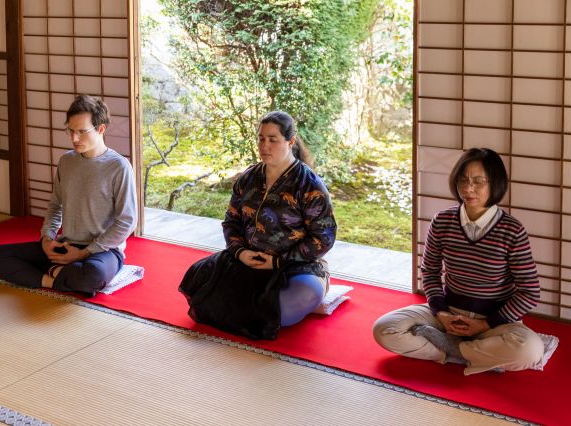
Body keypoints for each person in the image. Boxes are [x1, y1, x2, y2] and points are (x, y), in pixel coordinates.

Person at [373, 148, 544, 375]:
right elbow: (430, 271)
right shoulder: (443, 220)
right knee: (385, 329)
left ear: (495, 183)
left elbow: (529, 291)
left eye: (478, 181)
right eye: (463, 180)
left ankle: (452, 350)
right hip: (448, 314)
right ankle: (475, 356)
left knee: (529, 351)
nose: (468, 188)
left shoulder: (512, 230)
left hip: (493, 323)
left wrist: (485, 324)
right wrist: (442, 314)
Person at [179, 111, 337, 338]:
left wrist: (278, 261)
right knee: (197, 280)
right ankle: (252, 303)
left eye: (273, 139)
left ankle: (316, 289)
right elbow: (231, 221)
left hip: (293, 266)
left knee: (290, 309)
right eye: (261, 138)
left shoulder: (309, 184)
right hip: (249, 260)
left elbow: (323, 238)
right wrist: (241, 253)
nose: (265, 146)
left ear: (290, 142)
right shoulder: (249, 177)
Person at [0, 94, 138, 297]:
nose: (74, 138)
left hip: (103, 251)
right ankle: (54, 278)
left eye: (82, 132)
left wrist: (85, 252)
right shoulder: (67, 161)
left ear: (101, 129)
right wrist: (47, 239)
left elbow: (127, 221)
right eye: (71, 131)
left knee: (93, 275)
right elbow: (56, 205)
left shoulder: (119, 166)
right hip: (65, 245)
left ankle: (51, 274)